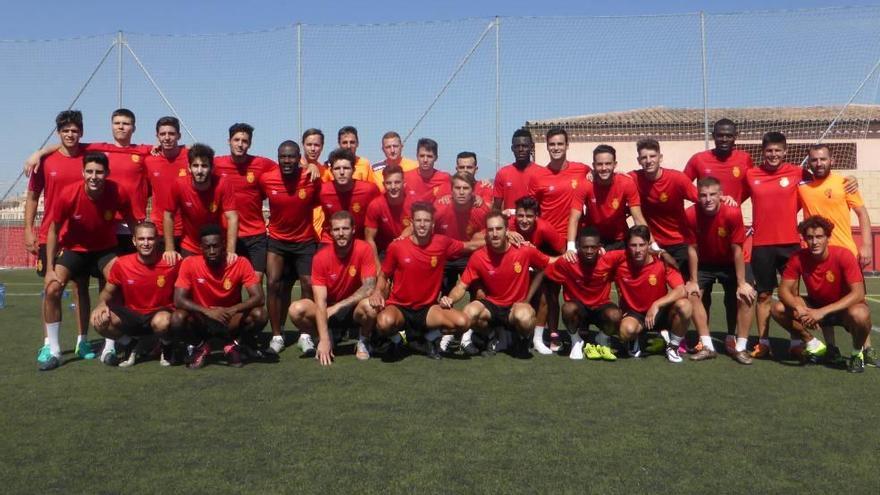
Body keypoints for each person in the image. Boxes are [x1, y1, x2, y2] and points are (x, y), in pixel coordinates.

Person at [37, 152, 140, 370]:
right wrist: (49, 269)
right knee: (53, 288)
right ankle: (53, 350)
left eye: (99, 172)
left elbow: (132, 222)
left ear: (107, 173)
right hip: (75, 250)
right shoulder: (68, 194)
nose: (94, 176)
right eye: (90, 171)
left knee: (117, 282)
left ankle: (110, 347)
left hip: (104, 250)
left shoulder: (117, 191)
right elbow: (53, 231)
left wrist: (140, 247)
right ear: (83, 172)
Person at [25, 110, 96, 361]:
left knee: (82, 289)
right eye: (65, 130)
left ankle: (82, 341)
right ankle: (49, 344)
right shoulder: (45, 161)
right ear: (58, 133)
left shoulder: (89, 155)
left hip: (81, 237)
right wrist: (28, 230)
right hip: (49, 235)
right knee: (52, 288)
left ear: (82, 132)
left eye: (75, 130)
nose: (70, 134)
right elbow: (32, 198)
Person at [369, 202, 482, 360]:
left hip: (427, 310)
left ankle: (430, 337)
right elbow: (384, 275)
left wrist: (500, 237)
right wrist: (377, 292)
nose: (422, 224)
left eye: (427, 221)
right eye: (419, 220)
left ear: (433, 224)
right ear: (412, 223)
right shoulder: (397, 247)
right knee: (383, 323)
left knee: (463, 322)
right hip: (400, 307)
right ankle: (398, 339)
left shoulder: (442, 242)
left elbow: (469, 246)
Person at [798, 144, 875, 363]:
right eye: (814, 160)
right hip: (817, 256)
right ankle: (831, 348)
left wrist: (867, 245)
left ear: (831, 160)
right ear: (809, 162)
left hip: (846, 255)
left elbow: (862, 213)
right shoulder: (802, 186)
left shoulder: (844, 183)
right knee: (820, 300)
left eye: (823, 159)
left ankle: (866, 349)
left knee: (858, 305)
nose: (819, 163)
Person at [441, 211, 551, 357]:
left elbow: (546, 265)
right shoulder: (479, 256)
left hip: (515, 306)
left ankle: (522, 339)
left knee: (525, 317)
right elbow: (461, 286)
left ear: (507, 231)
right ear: (486, 232)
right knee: (469, 312)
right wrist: (451, 299)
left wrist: (528, 298)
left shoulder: (524, 250)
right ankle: (492, 335)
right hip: (492, 306)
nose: (494, 233)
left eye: (498, 229)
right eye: (490, 229)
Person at [771, 216, 872, 373]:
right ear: (804, 239)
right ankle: (814, 345)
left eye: (819, 237)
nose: (814, 242)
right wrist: (799, 307)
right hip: (816, 306)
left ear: (828, 238)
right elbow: (783, 290)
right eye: (810, 237)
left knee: (861, 314)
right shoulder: (798, 257)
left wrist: (821, 312)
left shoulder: (843, 255)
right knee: (778, 308)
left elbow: (858, 293)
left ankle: (856, 353)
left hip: (843, 310)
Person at [528, 127, 591, 351]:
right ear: (547, 146)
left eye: (559, 144)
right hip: (550, 244)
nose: (556, 148)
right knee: (550, 295)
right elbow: (531, 210)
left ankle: (581, 332)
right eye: (552, 144)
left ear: (567, 145)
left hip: (576, 243)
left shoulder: (582, 170)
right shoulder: (538, 177)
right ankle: (553, 334)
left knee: (578, 291)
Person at [171, 224, 267, 369]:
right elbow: (178, 300)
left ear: (223, 245)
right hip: (202, 319)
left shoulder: (240, 262)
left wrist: (232, 309)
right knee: (177, 318)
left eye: (215, 246)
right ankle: (201, 346)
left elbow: (259, 297)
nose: (212, 251)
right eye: (207, 247)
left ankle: (234, 345)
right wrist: (207, 311)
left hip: (229, 319)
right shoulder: (189, 263)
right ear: (200, 247)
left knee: (260, 314)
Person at [288, 211, 379, 364]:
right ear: (330, 232)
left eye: (345, 229)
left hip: (353, 309)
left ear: (353, 229)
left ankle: (363, 341)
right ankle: (326, 335)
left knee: (371, 306)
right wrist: (323, 339)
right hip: (328, 311)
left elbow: (369, 287)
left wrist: (338, 306)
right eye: (336, 230)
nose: (341, 233)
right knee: (296, 309)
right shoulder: (320, 258)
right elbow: (320, 302)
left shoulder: (364, 249)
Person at [683, 177, 756, 364]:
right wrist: (693, 279)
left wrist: (741, 283)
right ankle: (707, 345)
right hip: (706, 263)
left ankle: (740, 347)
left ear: (721, 195)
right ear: (697, 197)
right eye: (703, 195)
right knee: (691, 293)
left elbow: (737, 250)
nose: (708, 199)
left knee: (747, 294)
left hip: (730, 262)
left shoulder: (732, 213)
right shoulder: (690, 214)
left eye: (713, 194)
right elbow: (692, 249)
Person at [745, 131, 805, 359]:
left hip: (790, 244)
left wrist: (849, 181)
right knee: (763, 295)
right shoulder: (751, 175)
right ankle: (763, 342)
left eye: (777, 150)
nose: (773, 154)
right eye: (769, 151)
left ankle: (796, 341)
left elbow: (821, 179)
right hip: (762, 245)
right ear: (763, 152)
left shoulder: (797, 172)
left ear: (785, 151)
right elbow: (736, 194)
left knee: (792, 294)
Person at [259, 140, 322, 354]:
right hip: (277, 241)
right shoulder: (267, 179)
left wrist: (312, 166)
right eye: (283, 156)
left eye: (291, 156)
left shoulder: (310, 177)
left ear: (299, 158)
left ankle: (305, 335)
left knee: (308, 283)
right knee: (274, 283)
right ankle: (277, 335)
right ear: (278, 158)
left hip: (305, 241)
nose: (287, 160)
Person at [90, 222, 180, 367]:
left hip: (160, 315)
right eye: (141, 239)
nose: (145, 243)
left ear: (157, 239)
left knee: (162, 321)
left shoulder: (171, 262)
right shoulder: (122, 264)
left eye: (150, 239)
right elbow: (108, 291)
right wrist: (101, 304)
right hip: (133, 315)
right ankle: (130, 344)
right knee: (98, 320)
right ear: (134, 241)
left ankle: (167, 346)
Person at [607, 225, 693, 364]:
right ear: (627, 246)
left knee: (685, 305)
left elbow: (682, 290)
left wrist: (657, 304)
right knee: (625, 331)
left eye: (642, 245)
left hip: (660, 312)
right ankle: (636, 338)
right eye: (633, 245)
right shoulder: (619, 263)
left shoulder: (661, 262)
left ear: (648, 245)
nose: (638, 250)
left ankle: (673, 346)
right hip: (635, 314)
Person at [545, 227, 621, 361]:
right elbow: (546, 272)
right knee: (568, 309)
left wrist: (659, 253)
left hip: (600, 306)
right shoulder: (568, 261)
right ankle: (576, 341)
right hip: (578, 309)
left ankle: (602, 338)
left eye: (593, 247)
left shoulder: (608, 259)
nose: (589, 251)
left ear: (600, 247)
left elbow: (631, 254)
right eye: (585, 247)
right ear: (578, 247)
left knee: (615, 315)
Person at [628, 138, 697, 276]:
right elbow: (613, 178)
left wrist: (723, 198)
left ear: (660, 157)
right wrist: (592, 174)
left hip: (680, 243)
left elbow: (702, 200)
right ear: (638, 160)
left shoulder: (677, 179)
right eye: (644, 157)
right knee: (654, 287)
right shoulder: (633, 178)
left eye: (652, 156)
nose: (648, 160)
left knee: (684, 288)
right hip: (653, 244)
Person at [162, 144, 238, 262]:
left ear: (212, 168)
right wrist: (169, 248)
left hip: (215, 245)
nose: (199, 171)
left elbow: (232, 217)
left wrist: (231, 251)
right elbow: (168, 215)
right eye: (195, 166)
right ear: (189, 167)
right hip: (189, 245)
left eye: (204, 166)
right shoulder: (179, 184)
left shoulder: (223, 184)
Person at [570, 144, 645, 251]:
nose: (604, 168)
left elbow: (637, 217)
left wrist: (652, 245)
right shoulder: (585, 184)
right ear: (594, 165)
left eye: (608, 164)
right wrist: (571, 247)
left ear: (615, 164)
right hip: (593, 239)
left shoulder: (626, 182)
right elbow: (574, 218)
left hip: (619, 239)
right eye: (600, 164)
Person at [144, 116, 189, 252]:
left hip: (188, 228)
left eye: (171, 133)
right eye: (163, 134)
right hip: (160, 228)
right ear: (157, 136)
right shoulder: (149, 161)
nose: (167, 137)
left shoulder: (190, 157)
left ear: (179, 136)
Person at [318, 148, 381, 243]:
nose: (342, 172)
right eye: (337, 168)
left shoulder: (369, 190)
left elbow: (383, 210)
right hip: (330, 240)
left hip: (360, 241)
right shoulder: (322, 191)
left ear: (354, 170)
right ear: (331, 171)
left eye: (346, 168)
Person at [364, 164, 411, 259]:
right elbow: (369, 239)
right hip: (384, 250)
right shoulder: (375, 205)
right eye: (389, 183)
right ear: (383, 184)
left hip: (409, 249)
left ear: (404, 183)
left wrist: (404, 235)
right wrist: (377, 268)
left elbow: (420, 226)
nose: (393, 187)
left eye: (397, 182)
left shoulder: (414, 203)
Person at [493, 129, 544, 213]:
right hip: (510, 225)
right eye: (517, 146)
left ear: (531, 147)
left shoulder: (542, 173)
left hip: (535, 225)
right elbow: (496, 208)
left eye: (524, 146)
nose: (521, 149)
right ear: (512, 148)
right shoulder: (502, 173)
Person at [403, 138, 451, 203]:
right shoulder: (406, 177)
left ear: (436, 158)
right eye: (422, 156)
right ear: (417, 156)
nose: (425, 160)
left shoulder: (445, 178)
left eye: (429, 156)